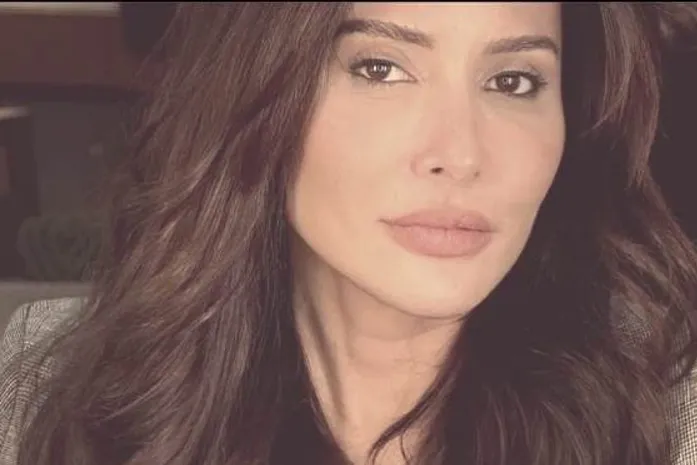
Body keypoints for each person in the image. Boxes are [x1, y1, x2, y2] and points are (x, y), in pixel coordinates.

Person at [2, 3, 697, 465]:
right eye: (380, 69)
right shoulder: (45, 391)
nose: (459, 153)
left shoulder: (664, 418)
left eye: (513, 81)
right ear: (256, 90)